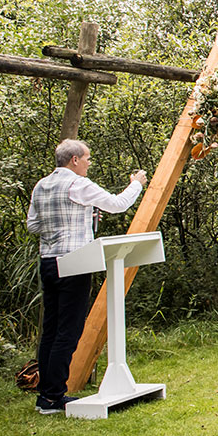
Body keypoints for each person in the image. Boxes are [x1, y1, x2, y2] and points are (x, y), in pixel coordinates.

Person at [25, 139, 147, 414]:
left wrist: (72, 218)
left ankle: (46, 395)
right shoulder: (77, 184)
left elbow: (33, 225)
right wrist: (137, 182)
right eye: (87, 158)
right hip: (75, 262)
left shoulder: (41, 185)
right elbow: (117, 204)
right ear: (74, 160)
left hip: (48, 261)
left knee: (51, 330)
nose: (89, 163)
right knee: (68, 332)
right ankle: (54, 397)